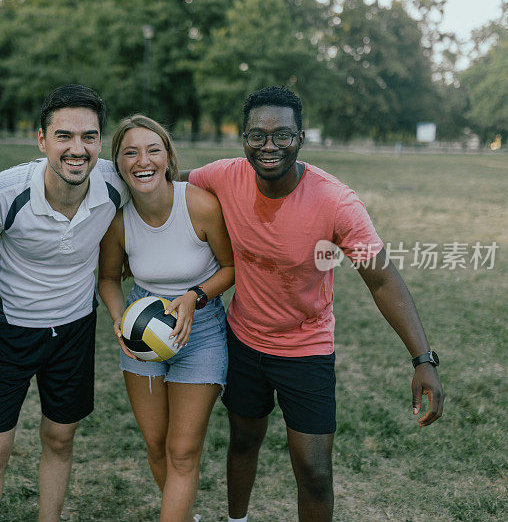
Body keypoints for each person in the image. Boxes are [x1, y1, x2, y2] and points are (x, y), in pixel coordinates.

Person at [181, 86, 445, 522]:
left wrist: (423, 359)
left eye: (282, 136)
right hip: (243, 339)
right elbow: (156, 176)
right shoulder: (224, 175)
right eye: (257, 136)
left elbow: (381, 280)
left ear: (301, 138)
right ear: (243, 138)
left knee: (315, 470)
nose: (269, 146)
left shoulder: (335, 202)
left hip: (306, 349)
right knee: (244, 440)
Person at [0, 84, 129, 522]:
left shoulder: (117, 182)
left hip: (74, 329)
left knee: (60, 438)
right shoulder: (4, 194)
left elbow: (170, 194)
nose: (78, 149)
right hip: (8, 329)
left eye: (89, 136)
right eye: (64, 136)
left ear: (100, 140)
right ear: (42, 140)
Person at [97, 115, 235, 522]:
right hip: (142, 329)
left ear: (168, 157)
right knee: (156, 445)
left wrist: (195, 297)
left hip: (202, 329)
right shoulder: (118, 220)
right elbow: (107, 278)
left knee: (182, 450)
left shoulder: (199, 204)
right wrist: (121, 319)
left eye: (153, 149)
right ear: (119, 164)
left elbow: (231, 267)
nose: (143, 160)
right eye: (130, 152)